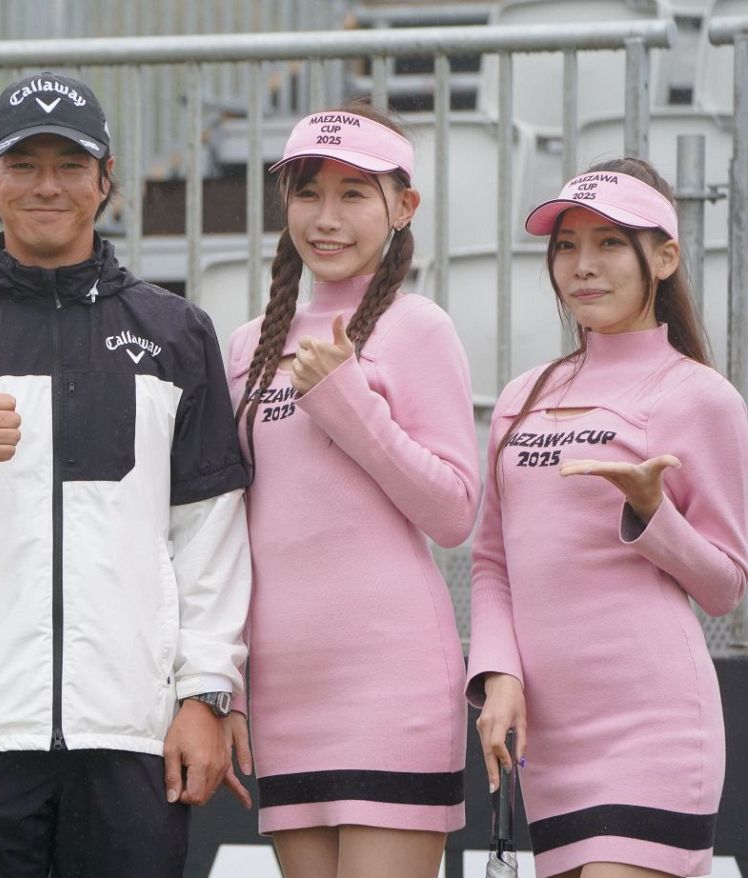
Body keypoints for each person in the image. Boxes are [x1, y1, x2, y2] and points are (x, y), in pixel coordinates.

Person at [0, 71, 253, 878]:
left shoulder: (177, 333)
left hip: (131, 734)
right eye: (23, 165)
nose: (47, 185)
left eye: (71, 164)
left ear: (106, 179)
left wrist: (205, 695)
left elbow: (209, 533)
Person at [467, 157, 748, 878]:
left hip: (655, 731)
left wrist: (653, 513)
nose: (582, 265)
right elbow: (493, 560)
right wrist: (499, 675)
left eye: (610, 243)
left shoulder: (701, 396)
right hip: (550, 742)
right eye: (566, 245)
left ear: (665, 257)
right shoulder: (523, 396)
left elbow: (725, 587)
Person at [226, 105, 479, 877]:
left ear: (404, 207)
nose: (326, 218)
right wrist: (231, 691)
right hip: (285, 692)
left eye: (354, 194)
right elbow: (234, 532)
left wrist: (347, 403)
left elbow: (453, 511)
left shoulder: (419, 327)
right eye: (308, 193)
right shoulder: (246, 346)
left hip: (391, 686)